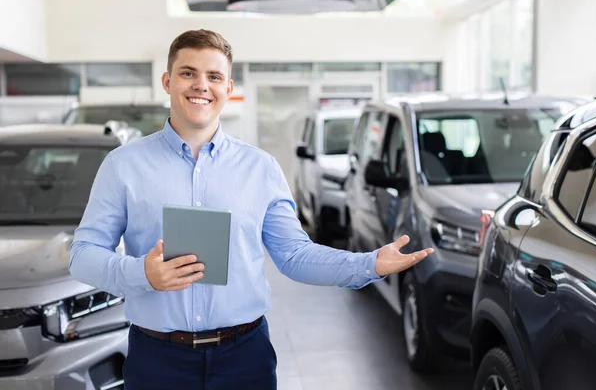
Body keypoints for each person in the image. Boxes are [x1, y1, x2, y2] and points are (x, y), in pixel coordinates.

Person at [69, 29, 434, 390]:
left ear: (228, 89)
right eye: (187, 73)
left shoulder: (261, 169)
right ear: (167, 81)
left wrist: (368, 264)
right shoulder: (123, 165)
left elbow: (294, 255)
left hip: (244, 359)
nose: (201, 85)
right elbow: (83, 256)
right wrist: (141, 274)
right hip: (157, 361)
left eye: (214, 76)